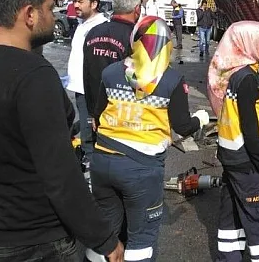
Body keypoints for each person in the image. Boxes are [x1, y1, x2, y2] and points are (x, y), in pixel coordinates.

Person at [0, 0, 124, 262]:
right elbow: (60, 174)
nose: (52, 14)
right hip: (34, 242)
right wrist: (105, 239)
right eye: (48, 8)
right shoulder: (33, 75)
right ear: (29, 14)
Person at [90, 16, 210, 262]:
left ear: (134, 41)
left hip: (103, 162)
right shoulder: (171, 80)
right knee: (141, 240)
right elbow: (182, 126)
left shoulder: (111, 72)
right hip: (140, 170)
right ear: (165, 46)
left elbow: (97, 115)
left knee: (106, 235)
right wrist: (201, 118)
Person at [207, 21, 259, 262]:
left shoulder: (237, 75)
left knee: (230, 214)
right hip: (245, 159)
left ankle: (228, 258)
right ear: (250, 44)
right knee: (256, 216)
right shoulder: (247, 80)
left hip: (231, 156)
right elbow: (250, 128)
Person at [82, 0, 142, 158]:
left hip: (97, 115)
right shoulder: (134, 37)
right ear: (136, 9)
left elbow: (87, 74)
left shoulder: (94, 32)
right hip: (123, 118)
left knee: (100, 159)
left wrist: (93, 112)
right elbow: (137, 80)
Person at [66, 0, 108, 161]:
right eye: (74, 0)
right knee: (85, 126)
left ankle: (92, 165)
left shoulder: (100, 27)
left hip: (90, 89)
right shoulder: (83, 24)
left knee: (89, 129)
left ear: (94, 4)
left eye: (80, 1)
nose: (75, 5)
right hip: (79, 86)